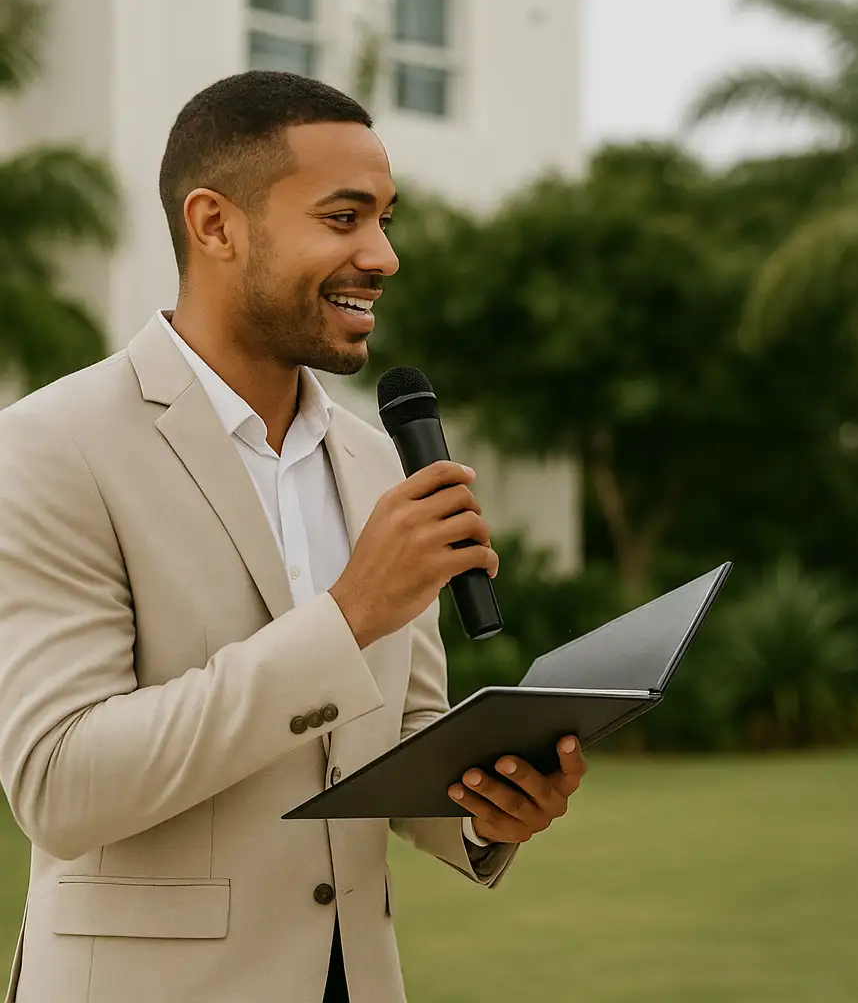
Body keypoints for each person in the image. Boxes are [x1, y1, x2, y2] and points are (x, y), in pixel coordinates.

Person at [0, 71, 585, 1003]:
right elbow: (62, 786)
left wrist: (488, 807)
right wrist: (348, 615)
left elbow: (400, 744)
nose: (384, 255)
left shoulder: (373, 460)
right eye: (345, 217)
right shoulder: (51, 444)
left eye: (386, 219)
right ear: (215, 225)